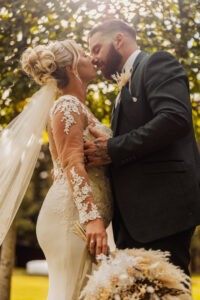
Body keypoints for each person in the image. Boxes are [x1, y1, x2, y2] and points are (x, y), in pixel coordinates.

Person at [84, 19, 200, 275]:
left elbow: (174, 119)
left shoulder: (157, 63)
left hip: (162, 212)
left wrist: (111, 148)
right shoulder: (124, 84)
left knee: (165, 290)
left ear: (118, 40)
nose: (93, 58)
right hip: (134, 220)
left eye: (96, 49)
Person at [0, 40, 113, 299]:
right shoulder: (67, 106)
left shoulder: (79, 107)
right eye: (84, 53)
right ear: (71, 67)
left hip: (84, 218)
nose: (90, 58)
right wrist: (92, 219)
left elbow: (64, 161)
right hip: (73, 221)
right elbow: (72, 163)